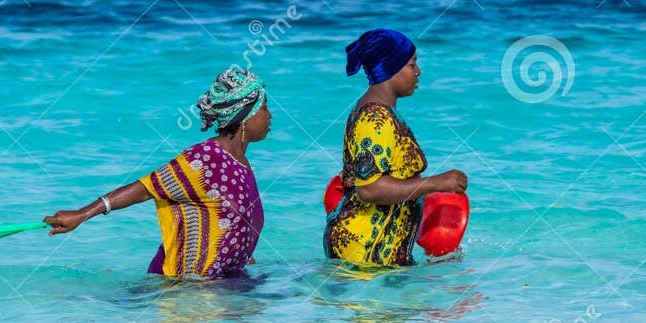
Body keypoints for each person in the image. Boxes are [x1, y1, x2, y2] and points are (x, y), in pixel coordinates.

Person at [43, 66, 270, 278]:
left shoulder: (242, 164)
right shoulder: (205, 158)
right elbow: (144, 189)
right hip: (183, 287)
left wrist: (240, 253)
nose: (269, 115)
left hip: (223, 283)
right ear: (244, 116)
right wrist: (81, 215)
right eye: (264, 108)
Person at [324, 28, 466, 268]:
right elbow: (369, 188)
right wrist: (436, 183)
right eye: (412, 65)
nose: (418, 72)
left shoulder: (381, 113)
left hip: (378, 257)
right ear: (391, 67)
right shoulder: (374, 119)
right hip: (364, 255)